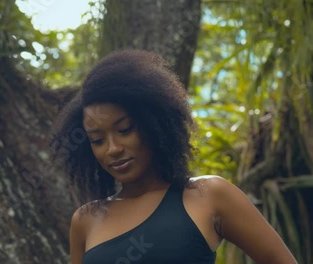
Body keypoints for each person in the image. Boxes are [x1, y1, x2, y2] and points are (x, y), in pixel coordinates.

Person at [50, 50, 297, 264]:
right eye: (97, 140)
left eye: (125, 130)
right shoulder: (86, 220)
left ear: (154, 123)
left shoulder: (208, 196)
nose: (112, 148)